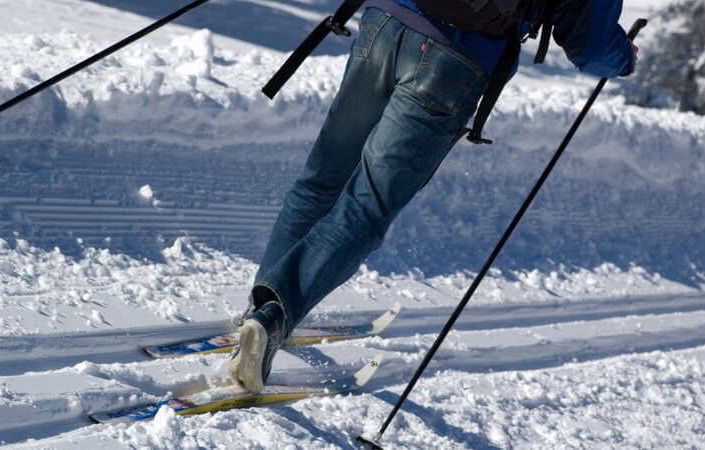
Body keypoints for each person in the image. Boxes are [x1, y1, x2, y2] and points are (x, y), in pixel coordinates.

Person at [229, 0, 639, 392]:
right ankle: (273, 317)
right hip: (455, 58)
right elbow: (593, 47)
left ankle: (262, 311)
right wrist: (626, 57)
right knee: (365, 206)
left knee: (322, 179)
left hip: (385, 20)